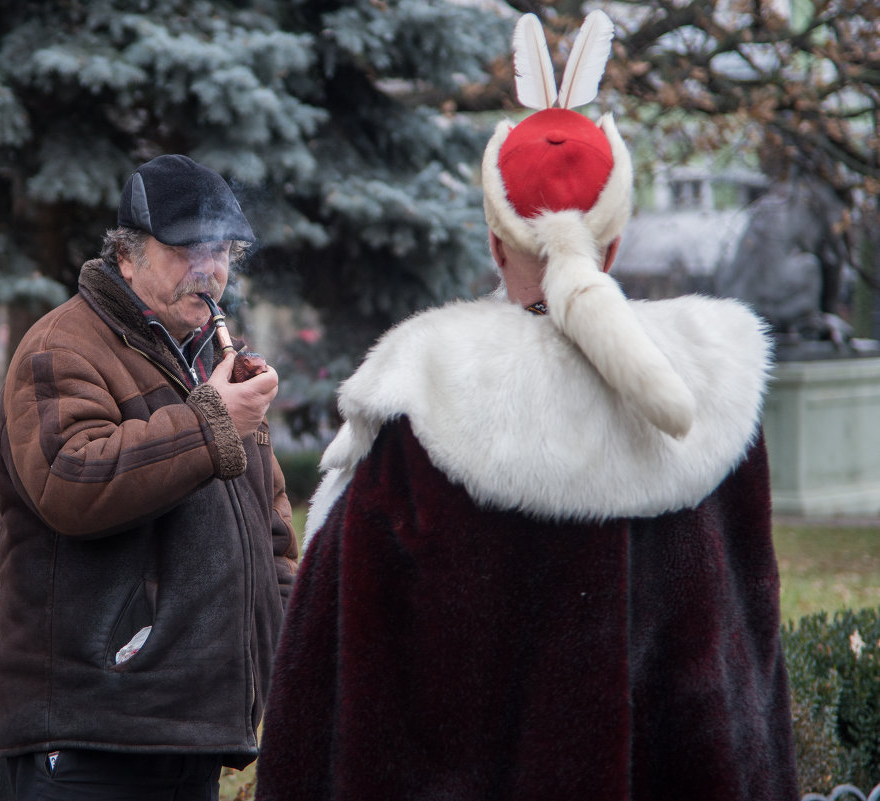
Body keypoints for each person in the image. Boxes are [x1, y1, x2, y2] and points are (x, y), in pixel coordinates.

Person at [255, 12, 797, 801]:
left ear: (494, 241)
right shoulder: (715, 390)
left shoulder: (416, 400)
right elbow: (754, 671)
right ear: (614, 244)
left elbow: (326, 684)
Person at [0, 154, 299, 800]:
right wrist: (214, 421)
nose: (209, 269)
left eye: (222, 251)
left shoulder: (214, 364)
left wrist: (301, 642)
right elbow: (73, 482)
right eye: (186, 248)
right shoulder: (61, 347)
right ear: (127, 257)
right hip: (92, 737)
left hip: (190, 731)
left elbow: (268, 535)